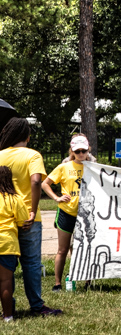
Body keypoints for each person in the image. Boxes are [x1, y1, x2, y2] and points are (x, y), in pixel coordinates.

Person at [0, 118, 61, 316]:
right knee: (32, 263)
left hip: (5, 219)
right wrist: (33, 210)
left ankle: (9, 305)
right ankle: (36, 306)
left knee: (5, 267)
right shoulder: (33, 155)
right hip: (28, 218)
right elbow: (36, 182)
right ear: (27, 137)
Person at [41, 134, 90, 291]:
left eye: (84, 151)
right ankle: (57, 283)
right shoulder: (64, 167)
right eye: (78, 151)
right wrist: (57, 197)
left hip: (86, 214)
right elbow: (45, 184)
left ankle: (87, 280)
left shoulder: (93, 168)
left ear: (89, 150)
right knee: (62, 249)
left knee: (86, 248)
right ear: (72, 151)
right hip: (66, 213)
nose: (81, 154)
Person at [0, 166, 33, 322]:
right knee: (5, 282)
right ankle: (8, 316)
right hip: (7, 244)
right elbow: (23, 222)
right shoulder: (15, 199)